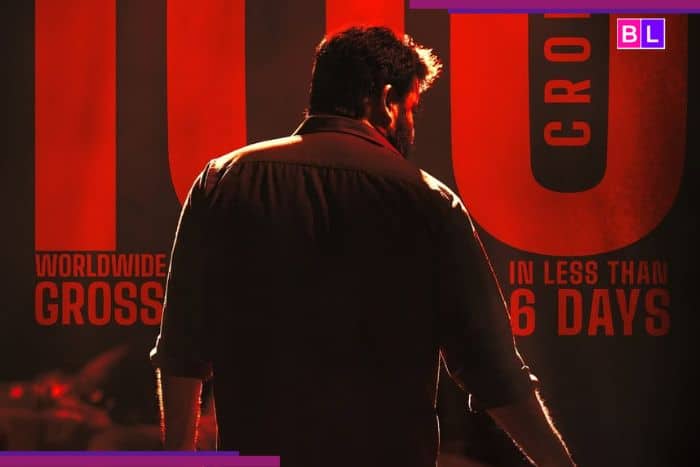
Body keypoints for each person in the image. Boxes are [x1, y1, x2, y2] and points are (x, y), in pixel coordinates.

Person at [150, 26, 575, 467]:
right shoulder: (429, 201)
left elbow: (182, 348)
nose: (411, 126)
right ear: (387, 101)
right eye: (411, 109)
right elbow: (494, 373)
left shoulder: (222, 181)